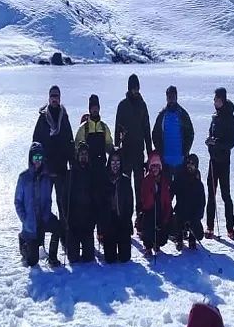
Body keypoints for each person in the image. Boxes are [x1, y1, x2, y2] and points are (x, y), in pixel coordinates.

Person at [32, 85, 75, 260]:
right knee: (43, 206)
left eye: (57, 96)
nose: (54, 99)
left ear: (60, 97)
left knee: (63, 205)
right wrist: (38, 166)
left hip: (62, 170)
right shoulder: (43, 119)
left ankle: (63, 238)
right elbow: (35, 143)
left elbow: (70, 142)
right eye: (52, 96)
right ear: (48, 98)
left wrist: (72, 164)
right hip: (45, 172)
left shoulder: (64, 117)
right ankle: (39, 240)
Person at [14, 142, 63, 267]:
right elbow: (18, 201)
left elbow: (48, 199)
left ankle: (52, 256)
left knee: (57, 226)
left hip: (43, 218)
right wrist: (24, 219)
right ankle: (23, 241)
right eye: (35, 157)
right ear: (31, 158)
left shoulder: (46, 177)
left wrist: (46, 216)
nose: (37, 161)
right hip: (30, 223)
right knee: (32, 262)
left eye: (40, 158)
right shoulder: (23, 177)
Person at [114, 74, 152, 219]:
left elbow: (147, 130)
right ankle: (124, 216)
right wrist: (116, 149)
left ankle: (140, 216)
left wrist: (150, 153)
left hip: (139, 153)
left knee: (139, 187)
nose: (135, 90)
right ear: (129, 88)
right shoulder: (122, 105)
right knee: (124, 186)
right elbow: (117, 128)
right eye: (133, 88)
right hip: (125, 152)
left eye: (137, 87)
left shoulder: (142, 105)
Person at [205, 87, 234, 240]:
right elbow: (211, 135)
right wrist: (208, 141)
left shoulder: (230, 118)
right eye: (214, 100)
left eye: (218, 100)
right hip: (213, 161)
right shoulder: (214, 117)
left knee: (226, 195)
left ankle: (230, 228)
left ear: (223, 100)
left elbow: (230, 143)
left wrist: (215, 143)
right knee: (211, 194)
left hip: (224, 162)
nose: (215, 102)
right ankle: (209, 226)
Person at [66, 141, 101, 263]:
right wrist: (67, 219)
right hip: (74, 223)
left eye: (86, 154)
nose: (83, 156)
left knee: (88, 258)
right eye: (81, 154)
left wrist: (94, 220)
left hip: (87, 223)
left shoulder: (92, 174)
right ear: (77, 155)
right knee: (73, 258)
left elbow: (96, 199)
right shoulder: (71, 174)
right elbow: (65, 198)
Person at [152, 85, 194, 184]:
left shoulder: (183, 114)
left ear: (176, 97)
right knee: (166, 195)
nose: (171, 99)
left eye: (173, 97)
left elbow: (190, 134)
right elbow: (155, 134)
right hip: (166, 163)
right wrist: (160, 151)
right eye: (169, 97)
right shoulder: (162, 115)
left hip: (180, 161)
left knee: (181, 194)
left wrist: (185, 151)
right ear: (166, 98)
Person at [102, 147, 134, 263]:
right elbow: (100, 203)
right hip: (108, 219)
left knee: (125, 258)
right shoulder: (104, 179)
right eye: (113, 162)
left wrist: (127, 220)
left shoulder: (125, 180)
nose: (115, 165)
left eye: (118, 162)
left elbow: (130, 204)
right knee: (110, 259)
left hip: (122, 219)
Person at [140, 151, 173, 257]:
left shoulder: (164, 182)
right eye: (153, 166)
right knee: (148, 226)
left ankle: (158, 241)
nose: (155, 169)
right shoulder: (146, 181)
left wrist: (165, 220)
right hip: (149, 213)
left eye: (157, 166)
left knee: (162, 237)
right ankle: (148, 245)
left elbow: (168, 203)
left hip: (160, 213)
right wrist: (152, 193)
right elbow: (145, 204)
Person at [172, 152, 206, 249]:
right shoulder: (180, 178)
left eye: (192, 164)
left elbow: (202, 204)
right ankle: (179, 237)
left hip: (193, 216)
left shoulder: (198, 184)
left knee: (199, 234)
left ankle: (192, 238)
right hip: (180, 212)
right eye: (188, 163)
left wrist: (196, 218)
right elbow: (171, 193)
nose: (190, 166)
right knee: (174, 223)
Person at [75, 94, 113, 171]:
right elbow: (76, 149)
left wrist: (115, 152)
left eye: (96, 107)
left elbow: (109, 145)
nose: (95, 110)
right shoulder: (83, 128)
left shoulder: (104, 127)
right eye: (92, 108)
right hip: (87, 169)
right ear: (89, 109)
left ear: (99, 108)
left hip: (102, 167)